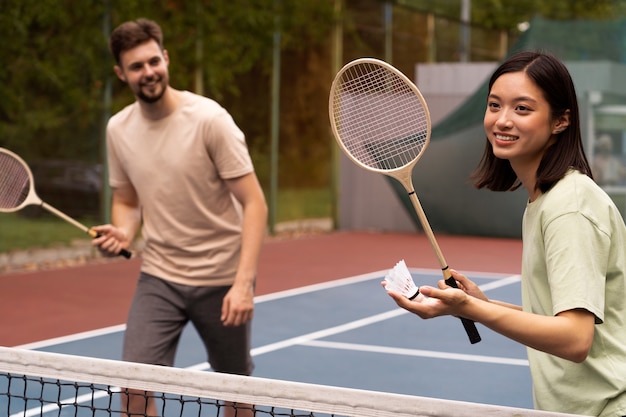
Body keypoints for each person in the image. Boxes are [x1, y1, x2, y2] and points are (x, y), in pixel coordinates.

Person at [384, 51, 626, 417]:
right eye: (494, 105)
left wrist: (469, 307)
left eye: (522, 109)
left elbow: (575, 338)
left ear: (561, 121)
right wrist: (480, 304)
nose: (502, 120)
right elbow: (553, 318)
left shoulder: (569, 205)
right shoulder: (546, 200)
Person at [91, 18, 267, 417]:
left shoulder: (210, 120)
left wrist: (243, 285)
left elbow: (255, 203)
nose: (148, 72)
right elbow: (127, 198)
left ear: (166, 58)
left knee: (235, 388)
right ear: (121, 73)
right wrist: (122, 230)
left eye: (153, 61)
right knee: (134, 387)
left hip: (221, 279)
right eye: (136, 66)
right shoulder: (118, 129)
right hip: (160, 276)